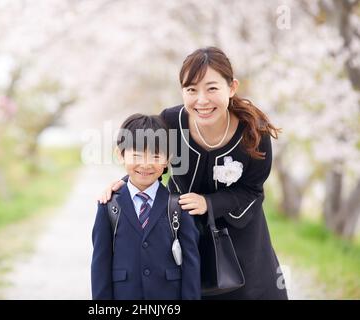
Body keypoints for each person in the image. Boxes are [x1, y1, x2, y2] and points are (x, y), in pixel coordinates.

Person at [100, 47, 288, 300]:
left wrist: (208, 203)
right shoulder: (171, 121)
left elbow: (252, 190)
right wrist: (123, 185)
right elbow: (147, 159)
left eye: (212, 88)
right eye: (191, 90)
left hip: (241, 240)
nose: (201, 100)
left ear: (231, 87)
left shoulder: (253, 132)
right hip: (183, 235)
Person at [91, 114, 201, 300]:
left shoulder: (178, 207)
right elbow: (100, 264)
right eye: (137, 155)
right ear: (120, 155)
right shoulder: (109, 206)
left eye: (156, 155)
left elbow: (191, 265)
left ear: (168, 159)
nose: (146, 164)